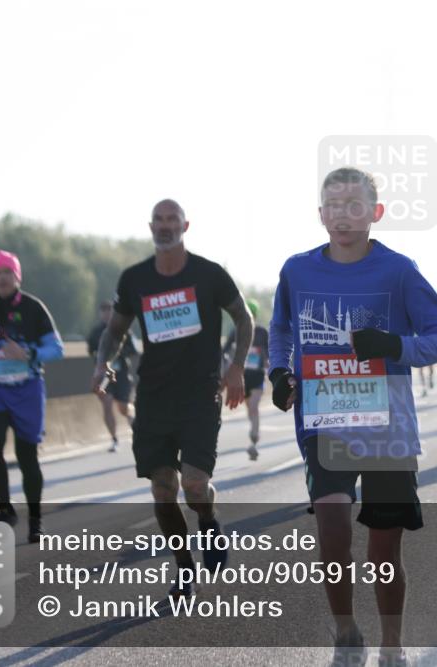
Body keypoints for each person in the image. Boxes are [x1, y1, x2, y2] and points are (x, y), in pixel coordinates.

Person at [268, 167, 437, 666]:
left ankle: (392, 645)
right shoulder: (297, 270)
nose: (342, 215)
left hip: (387, 426)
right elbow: (282, 329)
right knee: (331, 524)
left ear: (376, 213)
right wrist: (278, 372)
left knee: (382, 551)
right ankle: (345, 629)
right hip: (324, 420)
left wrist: (393, 345)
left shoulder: (398, 270)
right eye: (333, 205)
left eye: (355, 205)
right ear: (320, 215)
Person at [93, 198, 252, 602]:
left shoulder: (209, 274)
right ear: (151, 227)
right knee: (163, 490)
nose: (165, 227)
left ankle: (209, 519)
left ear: (185, 225)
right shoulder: (135, 279)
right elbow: (115, 331)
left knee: (195, 484)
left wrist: (235, 368)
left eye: (172, 220)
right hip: (154, 398)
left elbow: (244, 318)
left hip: (199, 394)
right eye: (159, 221)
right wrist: (102, 363)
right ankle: (184, 569)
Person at [0, 250, 64, 543]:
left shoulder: (33, 308)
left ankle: (36, 520)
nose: (2, 278)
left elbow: (57, 349)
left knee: (28, 458)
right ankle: (5, 509)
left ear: (17, 277)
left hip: (27, 389)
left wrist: (29, 353)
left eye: (8, 273)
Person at [87, 300, 136, 452]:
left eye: (109, 310)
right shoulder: (95, 333)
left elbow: (133, 350)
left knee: (123, 407)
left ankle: (137, 430)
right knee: (107, 404)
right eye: (103, 311)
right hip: (105, 375)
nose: (106, 314)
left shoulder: (125, 330)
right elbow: (91, 351)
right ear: (100, 314)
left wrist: (117, 353)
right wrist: (101, 361)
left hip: (120, 373)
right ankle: (114, 439)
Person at [224, 298, 268, 460]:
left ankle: (254, 438)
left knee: (254, 407)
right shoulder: (235, 332)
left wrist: (268, 362)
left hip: (257, 376)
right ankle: (254, 434)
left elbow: (270, 351)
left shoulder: (262, 332)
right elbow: (224, 350)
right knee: (250, 409)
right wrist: (228, 363)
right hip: (241, 379)